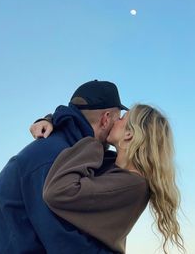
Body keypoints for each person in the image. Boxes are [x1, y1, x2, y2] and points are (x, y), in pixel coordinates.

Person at [0, 80, 128, 254]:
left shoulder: (73, 151)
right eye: (118, 118)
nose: (119, 124)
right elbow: (64, 242)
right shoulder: (52, 157)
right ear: (105, 119)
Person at [32, 104, 186, 254]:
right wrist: (49, 121)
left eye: (122, 119)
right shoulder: (111, 164)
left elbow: (58, 191)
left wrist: (94, 141)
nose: (115, 121)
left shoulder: (134, 185)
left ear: (129, 134)